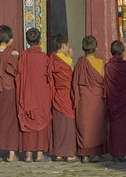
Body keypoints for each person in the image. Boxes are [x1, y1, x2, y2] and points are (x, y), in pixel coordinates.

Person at [0, 25, 22, 162]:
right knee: (12, 121)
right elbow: (18, 72)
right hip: (11, 90)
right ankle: (11, 155)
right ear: (11, 40)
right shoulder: (14, 54)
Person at [16, 28, 52, 162]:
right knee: (41, 120)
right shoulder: (44, 58)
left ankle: (29, 155)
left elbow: (18, 75)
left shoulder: (23, 56)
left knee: (28, 119)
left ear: (27, 40)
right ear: (40, 41)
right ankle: (40, 155)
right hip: (41, 95)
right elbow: (49, 77)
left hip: (27, 95)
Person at [72, 35, 106, 163]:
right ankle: (96, 154)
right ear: (96, 48)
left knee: (84, 124)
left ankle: (85, 154)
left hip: (84, 99)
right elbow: (103, 80)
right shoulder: (100, 63)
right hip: (96, 98)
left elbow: (74, 82)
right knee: (97, 124)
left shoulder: (80, 62)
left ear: (83, 48)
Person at [48, 33, 76, 162]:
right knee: (69, 124)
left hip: (57, 96)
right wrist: (70, 58)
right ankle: (69, 153)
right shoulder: (67, 61)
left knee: (58, 125)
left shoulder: (52, 59)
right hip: (67, 96)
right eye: (68, 46)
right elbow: (72, 78)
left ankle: (58, 153)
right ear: (64, 46)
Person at [105, 40, 126, 162]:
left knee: (114, 127)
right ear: (122, 53)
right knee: (124, 127)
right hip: (124, 101)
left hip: (112, 101)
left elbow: (105, 84)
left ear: (111, 52)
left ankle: (114, 153)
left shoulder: (107, 67)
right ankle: (124, 154)